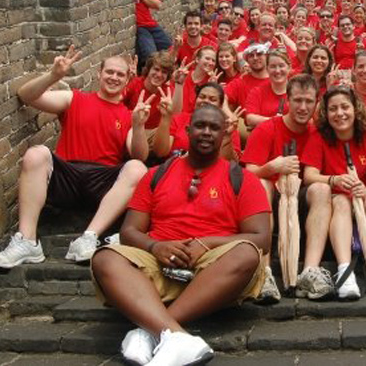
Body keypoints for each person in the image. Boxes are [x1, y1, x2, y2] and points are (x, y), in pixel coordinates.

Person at [91, 105, 270, 366]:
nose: (206, 132)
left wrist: (206, 243)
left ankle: (150, 330)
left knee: (246, 253)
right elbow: (129, 231)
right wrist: (156, 247)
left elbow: (262, 238)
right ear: (187, 131)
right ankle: (176, 335)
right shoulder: (156, 175)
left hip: (212, 269)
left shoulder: (242, 179)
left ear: (224, 135)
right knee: (105, 258)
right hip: (157, 265)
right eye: (200, 126)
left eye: (214, 128)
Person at [0, 48, 150, 268]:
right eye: (109, 72)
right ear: (99, 74)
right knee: (36, 154)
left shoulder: (127, 115)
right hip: (67, 175)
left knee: (137, 168)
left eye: (120, 74)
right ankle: (27, 241)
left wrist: (139, 125)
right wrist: (53, 76)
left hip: (101, 182)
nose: (114, 77)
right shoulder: (74, 98)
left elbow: (139, 155)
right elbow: (26, 96)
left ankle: (89, 237)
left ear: (128, 78)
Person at [301, 87, 366, 300]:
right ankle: (344, 272)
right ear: (326, 113)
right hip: (335, 201)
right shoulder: (319, 137)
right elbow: (309, 176)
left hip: (362, 200)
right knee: (341, 200)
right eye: (332, 109)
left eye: (344, 107)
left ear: (355, 109)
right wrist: (334, 180)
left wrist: (364, 190)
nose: (339, 113)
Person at [243, 75, 320, 304]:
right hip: (271, 199)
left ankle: (310, 271)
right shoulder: (267, 128)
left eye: (309, 101)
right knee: (261, 183)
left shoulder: (318, 132)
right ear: (287, 99)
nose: (303, 107)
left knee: (321, 190)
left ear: (316, 102)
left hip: (304, 199)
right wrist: (271, 167)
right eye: (297, 100)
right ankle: (265, 272)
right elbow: (249, 173)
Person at [153, 82, 242, 162]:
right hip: (176, 171)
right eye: (202, 97)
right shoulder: (179, 119)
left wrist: (226, 136)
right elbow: (160, 152)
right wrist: (165, 117)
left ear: (220, 106)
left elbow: (231, 163)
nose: (206, 101)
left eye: (212, 99)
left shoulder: (228, 127)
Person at [244, 49, 291, 130]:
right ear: (267, 69)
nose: (277, 70)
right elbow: (250, 118)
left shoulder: (298, 90)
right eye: (273, 66)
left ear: (289, 67)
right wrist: (277, 121)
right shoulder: (257, 91)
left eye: (281, 65)